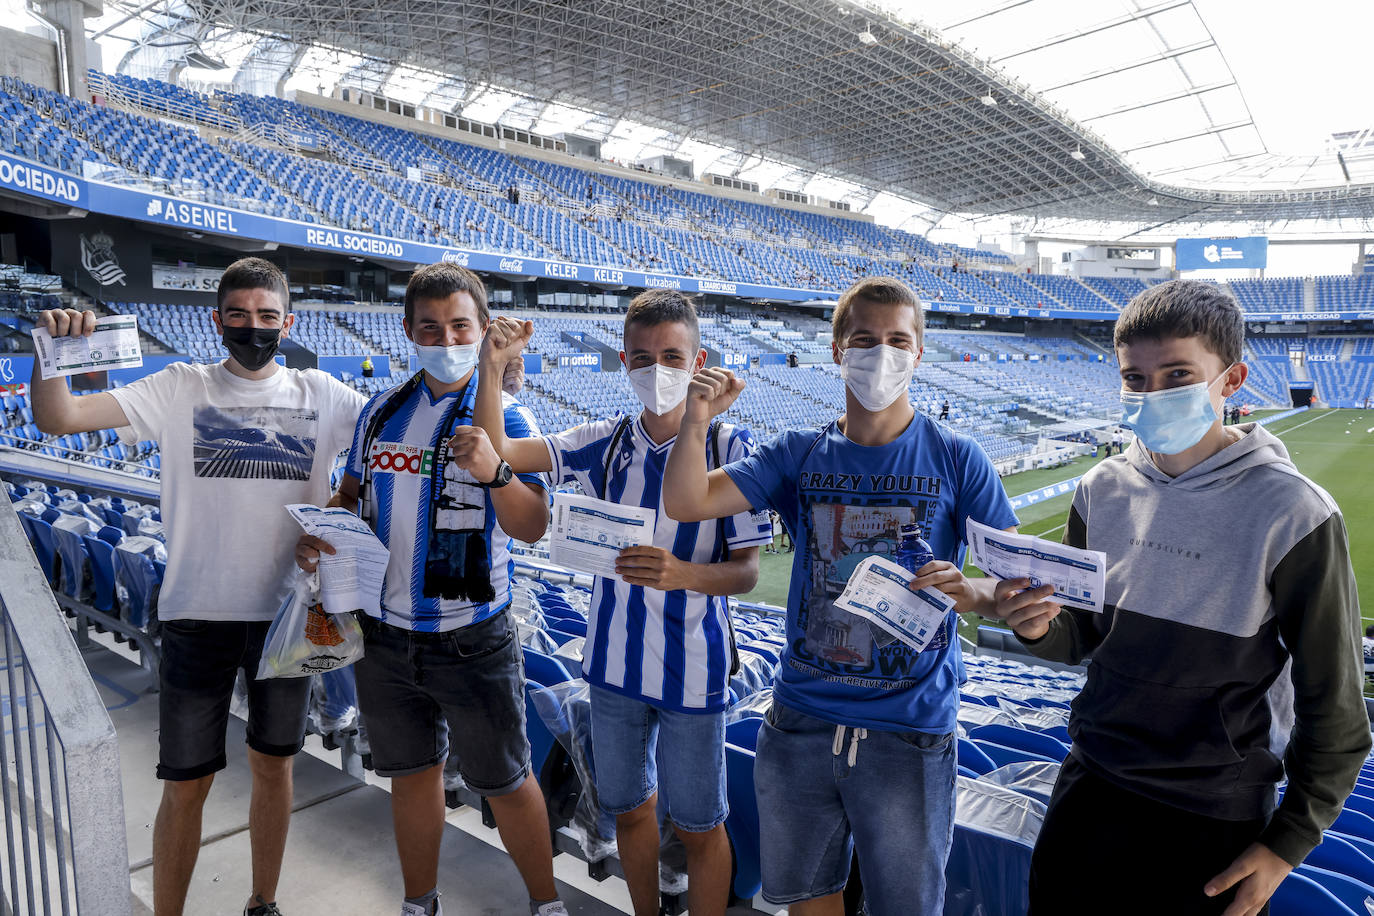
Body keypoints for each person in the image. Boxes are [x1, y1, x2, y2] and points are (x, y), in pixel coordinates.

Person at [999, 279, 1369, 916]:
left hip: (1213, 812)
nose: (1153, 394)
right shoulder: (1100, 488)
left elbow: (1335, 707)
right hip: (1090, 783)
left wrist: (1287, 842)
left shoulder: (1295, 512)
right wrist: (1036, 627)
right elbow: (1084, 637)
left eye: (1177, 374)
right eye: (1135, 378)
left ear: (1232, 380)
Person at [662, 277, 1024, 915]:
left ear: (918, 352)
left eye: (897, 340)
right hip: (799, 723)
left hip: (909, 732)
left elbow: (1011, 585)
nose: (880, 353)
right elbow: (688, 502)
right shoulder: (797, 453)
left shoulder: (960, 460)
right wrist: (695, 421)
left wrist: (972, 590)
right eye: (864, 339)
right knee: (808, 904)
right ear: (836, 349)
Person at [31, 257, 366, 916]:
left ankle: (262, 902)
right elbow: (58, 419)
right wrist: (53, 355)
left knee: (275, 768)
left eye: (267, 317)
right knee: (186, 784)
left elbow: (392, 451)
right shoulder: (179, 387)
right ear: (216, 321)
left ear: (288, 322)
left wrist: (340, 507)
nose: (253, 328)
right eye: (239, 316)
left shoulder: (324, 395)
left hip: (286, 622)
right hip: (194, 616)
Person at [472, 289, 772, 916]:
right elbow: (500, 451)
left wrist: (682, 571)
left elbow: (744, 574)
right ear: (622, 360)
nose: (656, 370)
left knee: (698, 826)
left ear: (700, 360)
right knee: (629, 811)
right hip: (612, 670)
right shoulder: (603, 443)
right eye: (641, 356)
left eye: (671, 355)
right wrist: (492, 367)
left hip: (695, 672)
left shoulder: (732, 449)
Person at [295, 263, 565, 916]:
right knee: (411, 779)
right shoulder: (382, 411)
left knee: (505, 781)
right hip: (386, 637)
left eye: (459, 326)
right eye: (430, 328)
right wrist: (323, 532)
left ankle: (547, 904)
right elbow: (350, 494)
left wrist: (496, 471)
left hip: (473, 635)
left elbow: (530, 528)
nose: (445, 341)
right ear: (408, 331)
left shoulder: (511, 416)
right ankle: (420, 902)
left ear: (481, 329)